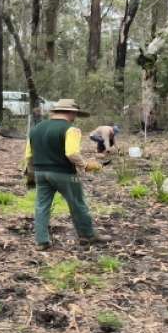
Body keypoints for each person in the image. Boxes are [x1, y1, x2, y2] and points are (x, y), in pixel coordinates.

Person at [24, 99, 103, 249]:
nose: (75, 117)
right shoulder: (71, 129)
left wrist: (30, 175)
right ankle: (87, 235)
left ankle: (41, 241)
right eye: (75, 114)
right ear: (71, 112)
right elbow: (72, 153)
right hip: (64, 173)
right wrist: (85, 165)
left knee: (41, 206)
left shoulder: (35, 129)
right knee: (77, 204)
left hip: (40, 173)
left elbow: (28, 154)